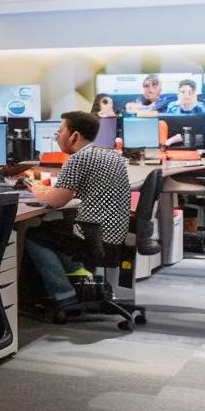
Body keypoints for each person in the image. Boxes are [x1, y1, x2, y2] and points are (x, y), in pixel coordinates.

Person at [23, 112, 132, 315]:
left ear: (74, 136)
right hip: (113, 232)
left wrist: (35, 191)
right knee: (55, 230)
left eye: (60, 131)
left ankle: (64, 296)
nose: (57, 136)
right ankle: (81, 281)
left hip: (95, 234)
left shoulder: (78, 159)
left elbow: (55, 201)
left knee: (34, 236)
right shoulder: (110, 155)